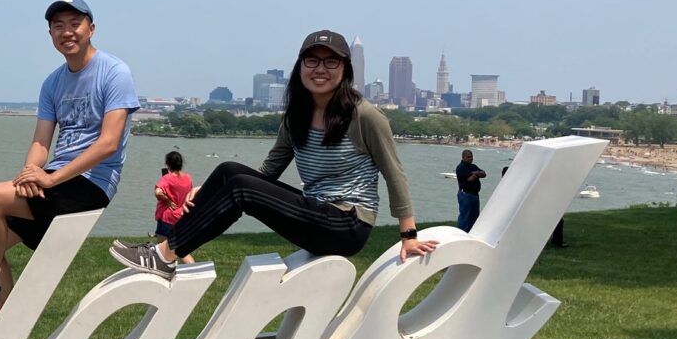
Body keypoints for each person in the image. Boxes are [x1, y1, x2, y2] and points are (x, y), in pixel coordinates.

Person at [109, 29, 438, 278]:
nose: (320, 68)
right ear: (300, 67)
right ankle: (166, 251)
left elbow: (396, 175)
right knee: (228, 171)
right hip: (316, 213)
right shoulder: (296, 116)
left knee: (240, 188)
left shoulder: (364, 116)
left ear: (345, 69)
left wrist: (408, 236)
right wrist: (211, 192)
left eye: (331, 61)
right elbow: (267, 173)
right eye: (312, 60)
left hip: (347, 224)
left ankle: (165, 255)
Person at [0, 0, 139, 310]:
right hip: (56, 180)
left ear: (91, 28)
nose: (67, 32)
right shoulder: (52, 83)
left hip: (90, 183)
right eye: (58, 26)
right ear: (50, 35)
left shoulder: (115, 72)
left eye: (75, 23)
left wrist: (51, 180)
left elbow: (108, 143)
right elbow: (41, 143)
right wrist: (30, 173)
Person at [151, 151, 196, 264]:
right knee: (179, 248)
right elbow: (190, 195)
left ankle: (167, 272)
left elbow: (158, 192)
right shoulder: (188, 178)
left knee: (163, 251)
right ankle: (193, 267)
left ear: (168, 164)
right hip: (181, 217)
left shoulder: (166, 178)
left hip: (167, 217)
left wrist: (167, 200)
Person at [455, 149, 486, 233]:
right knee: (465, 216)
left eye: (471, 157)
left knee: (474, 216)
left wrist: (475, 173)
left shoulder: (473, 166)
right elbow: (469, 179)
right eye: (468, 157)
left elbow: (484, 174)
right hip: (466, 194)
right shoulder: (461, 167)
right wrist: (476, 174)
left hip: (475, 194)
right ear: (463, 157)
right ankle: (461, 233)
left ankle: (471, 233)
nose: (470, 159)